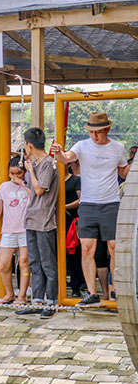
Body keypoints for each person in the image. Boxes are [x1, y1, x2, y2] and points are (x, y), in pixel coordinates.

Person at [52, 112, 130, 306]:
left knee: (114, 247)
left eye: (98, 132)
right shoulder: (82, 145)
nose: (94, 136)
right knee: (87, 248)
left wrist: (133, 163)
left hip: (111, 202)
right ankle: (92, 292)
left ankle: (115, 289)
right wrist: (58, 152)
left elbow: (122, 172)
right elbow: (65, 158)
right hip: (87, 203)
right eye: (91, 132)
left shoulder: (118, 147)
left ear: (107, 129)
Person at [17, 128, 59, 319]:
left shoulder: (48, 163)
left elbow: (40, 189)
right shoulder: (36, 163)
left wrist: (31, 171)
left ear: (30, 145)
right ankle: (37, 300)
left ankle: (51, 301)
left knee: (47, 263)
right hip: (32, 218)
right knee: (34, 262)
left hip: (45, 219)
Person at [0, 156, 31, 305]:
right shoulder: (4, 186)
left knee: (24, 262)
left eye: (18, 173)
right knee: (3, 264)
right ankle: (9, 293)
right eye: (11, 173)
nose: (15, 176)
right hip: (8, 228)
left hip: (25, 228)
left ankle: (22, 295)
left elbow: (36, 196)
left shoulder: (29, 184)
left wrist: (23, 184)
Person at [65, 160, 84, 297]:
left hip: (72, 220)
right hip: (55, 221)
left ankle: (76, 286)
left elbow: (80, 199)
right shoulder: (53, 180)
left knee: (75, 253)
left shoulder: (76, 180)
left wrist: (64, 206)